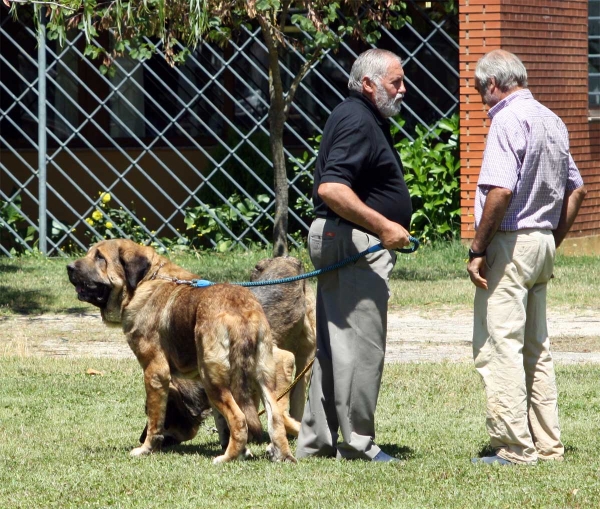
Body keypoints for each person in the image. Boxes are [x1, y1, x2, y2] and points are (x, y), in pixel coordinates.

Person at [467, 49, 587, 466]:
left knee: (500, 345)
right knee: (538, 348)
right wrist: (554, 238)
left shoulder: (505, 119)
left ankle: (515, 448)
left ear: (494, 84)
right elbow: (577, 189)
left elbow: (499, 191)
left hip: (511, 242)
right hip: (542, 243)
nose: (482, 100)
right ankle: (549, 444)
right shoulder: (551, 119)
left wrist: (478, 248)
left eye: (481, 90)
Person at [295, 48, 412, 463]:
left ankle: (317, 443)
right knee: (361, 350)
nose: (403, 89)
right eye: (395, 82)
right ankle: (359, 443)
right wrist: (383, 226)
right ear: (368, 83)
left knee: (333, 348)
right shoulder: (358, 119)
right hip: (355, 243)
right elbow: (331, 188)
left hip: (343, 239)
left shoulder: (359, 117)